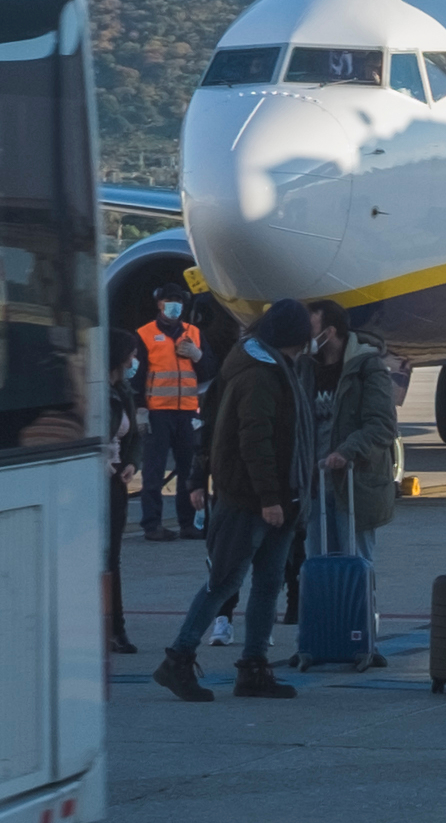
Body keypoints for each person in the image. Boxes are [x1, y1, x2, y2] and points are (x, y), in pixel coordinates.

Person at [153, 299, 317, 703]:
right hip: (252, 498)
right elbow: (253, 439)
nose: (303, 351)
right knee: (224, 581)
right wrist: (268, 496)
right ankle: (178, 658)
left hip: (281, 494)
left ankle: (254, 667)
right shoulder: (260, 375)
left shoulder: (272, 366)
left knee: (268, 583)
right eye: (300, 343)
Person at [302, 299, 398, 564]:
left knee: (356, 563)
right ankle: (328, 607)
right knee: (319, 563)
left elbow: (382, 425)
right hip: (316, 484)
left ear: (329, 332)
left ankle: (361, 606)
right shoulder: (306, 367)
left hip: (353, 483)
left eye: (311, 327)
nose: (305, 334)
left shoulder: (367, 367)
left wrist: (347, 451)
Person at [136, 285, 210, 541]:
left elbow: (210, 370)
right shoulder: (144, 335)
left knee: (188, 469)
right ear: (159, 304)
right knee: (153, 471)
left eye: (178, 301)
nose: (174, 306)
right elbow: (137, 375)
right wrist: (140, 409)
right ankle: (152, 525)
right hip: (158, 411)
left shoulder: (194, 334)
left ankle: (188, 524)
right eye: (169, 301)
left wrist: (198, 356)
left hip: (187, 411)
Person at [104, 328, 141, 655]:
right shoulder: (96, 391)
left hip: (116, 479)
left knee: (111, 557)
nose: (134, 361)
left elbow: (135, 436)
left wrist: (131, 463)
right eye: (131, 354)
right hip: (95, 480)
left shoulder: (123, 389)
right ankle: (106, 627)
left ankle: (117, 628)